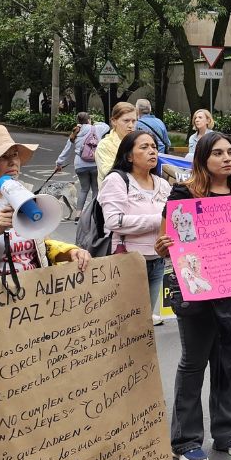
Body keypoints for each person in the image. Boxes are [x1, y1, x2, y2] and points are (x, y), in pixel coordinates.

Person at [153, 132, 231, 460]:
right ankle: (185, 440)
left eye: (230, 152)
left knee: (227, 355)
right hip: (196, 290)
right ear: (202, 159)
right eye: (217, 153)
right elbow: (165, 234)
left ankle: (228, 433)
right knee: (194, 361)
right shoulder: (183, 194)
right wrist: (163, 246)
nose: (227, 158)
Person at [0, 125, 91, 284]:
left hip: (32, 296)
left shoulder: (26, 197)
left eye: (15, 155)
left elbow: (43, 245)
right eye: (3, 157)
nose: (13, 162)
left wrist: (70, 252)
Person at [98, 130, 173, 326]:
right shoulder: (117, 180)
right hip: (128, 260)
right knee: (125, 323)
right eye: (144, 147)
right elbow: (114, 221)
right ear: (129, 155)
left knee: (143, 322)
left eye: (154, 147)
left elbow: (175, 218)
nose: (152, 151)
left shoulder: (163, 184)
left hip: (157, 260)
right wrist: (160, 220)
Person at [54, 112, 109, 214]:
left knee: (84, 189)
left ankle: (78, 214)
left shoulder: (75, 132)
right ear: (89, 120)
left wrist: (59, 164)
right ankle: (93, 213)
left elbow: (67, 150)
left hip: (80, 165)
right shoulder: (97, 129)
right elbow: (106, 126)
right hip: (95, 164)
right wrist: (94, 123)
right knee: (96, 190)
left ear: (78, 122)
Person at [96, 102, 138, 180]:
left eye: (133, 121)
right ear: (114, 121)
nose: (131, 125)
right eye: (126, 121)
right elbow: (109, 173)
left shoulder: (138, 142)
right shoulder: (104, 145)